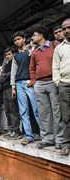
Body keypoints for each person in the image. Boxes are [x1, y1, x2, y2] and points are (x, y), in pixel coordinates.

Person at [30, 27, 63, 149]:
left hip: (53, 82)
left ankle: (60, 139)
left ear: (41, 36)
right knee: (43, 113)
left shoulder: (55, 45)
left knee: (57, 111)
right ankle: (47, 138)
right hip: (40, 84)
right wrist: (34, 81)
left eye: (34, 35)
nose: (32, 38)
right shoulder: (35, 51)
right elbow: (32, 67)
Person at [11, 31, 40, 145]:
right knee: (23, 111)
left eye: (18, 39)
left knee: (36, 108)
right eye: (15, 40)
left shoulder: (32, 51)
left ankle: (45, 134)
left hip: (30, 82)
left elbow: (37, 65)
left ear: (24, 39)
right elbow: (14, 72)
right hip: (19, 84)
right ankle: (29, 136)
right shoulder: (16, 56)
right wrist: (13, 87)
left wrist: (34, 79)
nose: (17, 42)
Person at [52, 18, 70, 155]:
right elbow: (55, 67)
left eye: (69, 27)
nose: (67, 31)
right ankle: (66, 143)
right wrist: (58, 82)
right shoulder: (59, 48)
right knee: (66, 115)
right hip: (65, 84)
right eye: (65, 29)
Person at [0, 47, 21, 140]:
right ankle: (10, 130)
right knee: (7, 111)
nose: (8, 56)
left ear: (13, 54)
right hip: (5, 89)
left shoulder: (15, 62)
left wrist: (5, 75)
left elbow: (12, 74)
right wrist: (4, 75)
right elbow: (2, 76)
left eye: (9, 54)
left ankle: (17, 131)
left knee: (13, 110)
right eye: (6, 55)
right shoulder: (6, 65)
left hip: (11, 88)